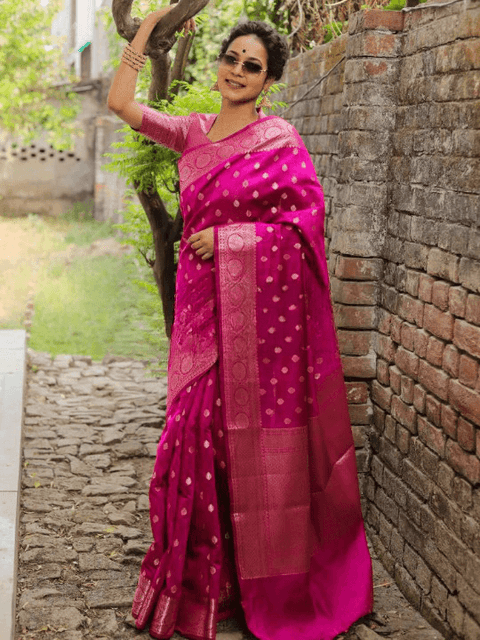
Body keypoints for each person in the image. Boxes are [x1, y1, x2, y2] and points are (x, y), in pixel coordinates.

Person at [107, 7, 374, 640]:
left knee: (237, 445)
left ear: (267, 81)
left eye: (252, 67)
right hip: (201, 314)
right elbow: (121, 102)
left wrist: (230, 239)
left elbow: (303, 228)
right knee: (187, 440)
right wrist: (145, 30)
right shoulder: (193, 132)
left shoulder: (280, 142)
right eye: (232, 59)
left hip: (259, 322)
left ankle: (242, 588)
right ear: (220, 62)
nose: (237, 71)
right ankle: (197, 585)